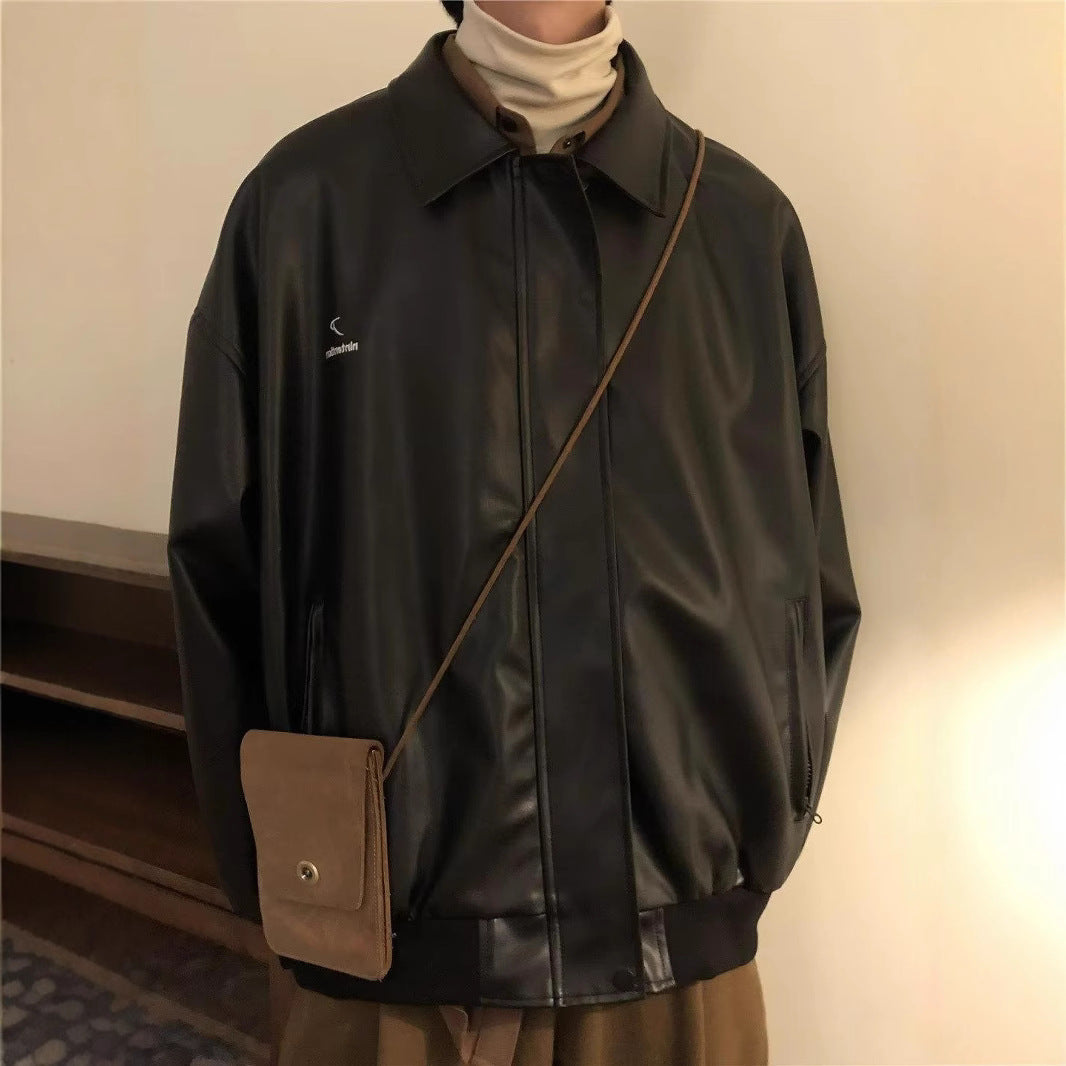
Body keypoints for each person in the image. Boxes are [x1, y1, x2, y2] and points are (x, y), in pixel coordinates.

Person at [167, 1, 862, 1063]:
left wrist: (756, 840)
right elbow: (219, 566)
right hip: (391, 966)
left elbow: (807, 575)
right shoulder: (306, 206)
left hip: (680, 959)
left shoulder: (738, 223)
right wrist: (291, 873)